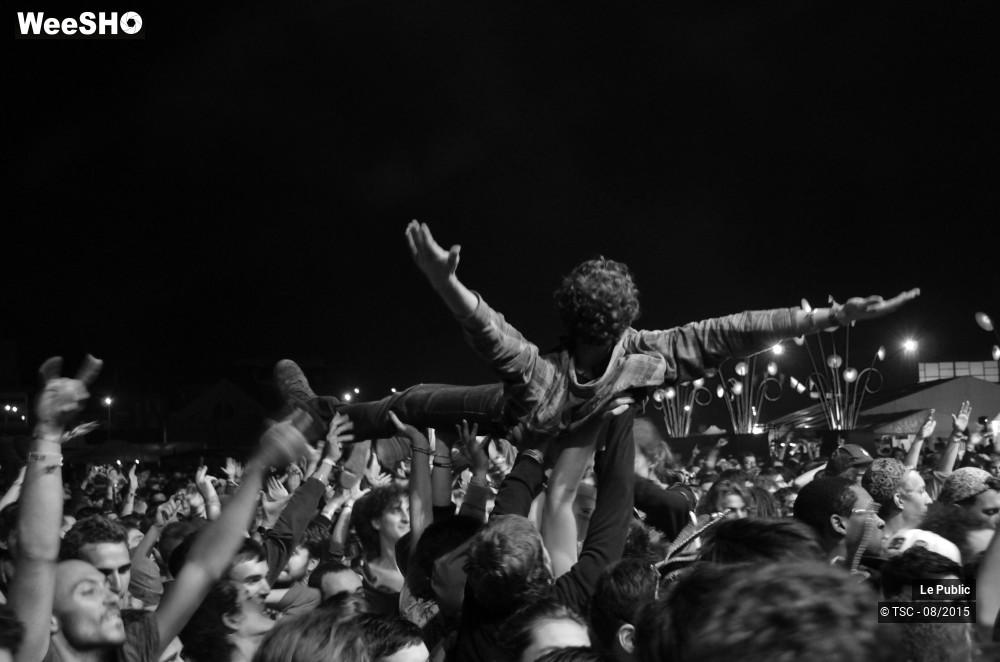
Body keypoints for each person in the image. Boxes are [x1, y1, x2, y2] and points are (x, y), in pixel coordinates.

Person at [277, 222, 919, 460]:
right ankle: (319, 416)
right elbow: (736, 331)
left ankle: (319, 415)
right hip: (564, 451)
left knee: (414, 399)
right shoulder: (651, 354)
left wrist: (445, 283)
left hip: (537, 441)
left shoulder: (540, 374)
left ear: (568, 315)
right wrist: (829, 318)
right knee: (418, 401)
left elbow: (488, 330)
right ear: (625, 317)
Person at [9, 354, 313, 662]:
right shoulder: (33, 656)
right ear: (49, 618)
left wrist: (258, 467)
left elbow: (204, 565)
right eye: (88, 590)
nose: (112, 595)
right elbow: (36, 553)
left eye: (108, 585)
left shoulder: (132, 651)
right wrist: (47, 434)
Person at [793, 476, 884, 574]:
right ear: (839, 524)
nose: (881, 522)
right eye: (869, 512)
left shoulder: (880, 578)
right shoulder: (807, 586)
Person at [861, 458, 932, 547]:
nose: (930, 500)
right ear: (899, 500)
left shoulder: (871, 544)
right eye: (921, 491)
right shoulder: (883, 552)